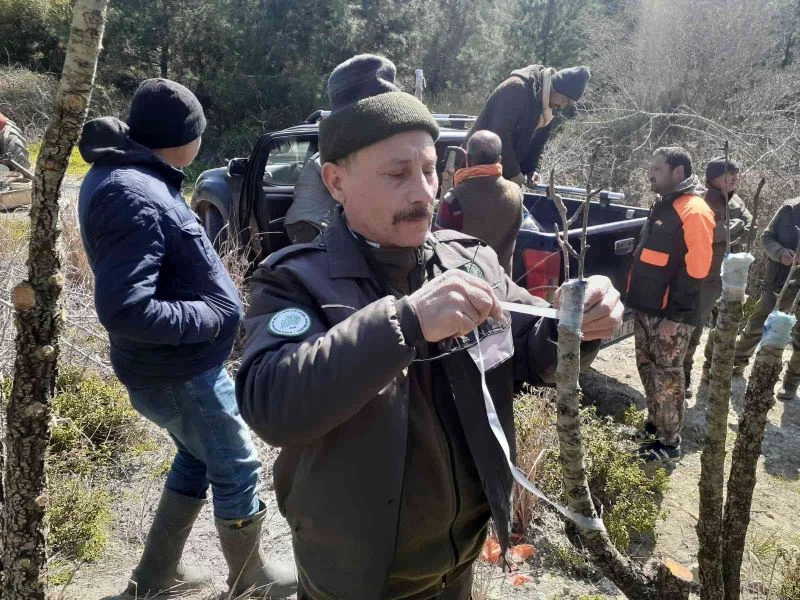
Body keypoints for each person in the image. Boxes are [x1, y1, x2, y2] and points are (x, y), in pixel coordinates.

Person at [236, 54, 623, 600]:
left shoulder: (471, 261)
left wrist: (575, 327)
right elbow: (271, 404)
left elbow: (528, 356)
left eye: (429, 169)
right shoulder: (295, 282)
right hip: (358, 576)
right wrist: (406, 321)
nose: (423, 192)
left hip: (459, 562)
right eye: (397, 174)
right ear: (336, 181)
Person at [77, 78, 296, 598]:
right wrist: (214, 315)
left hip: (171, 368)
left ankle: (157, 575)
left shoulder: (134, 176)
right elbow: (127, 308)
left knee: (198, 457)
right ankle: (250, 579)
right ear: (184, 137)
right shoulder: (131, 193)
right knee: (237, 463)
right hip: (180, 373)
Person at [625, 147, 715, 462]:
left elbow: (698, 269)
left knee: (668, 377)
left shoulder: (694, 210)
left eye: (657, 169)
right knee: (649, 370)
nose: (650, 174)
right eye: (650, 168)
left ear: (678, 172)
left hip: (669, 316)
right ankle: (654, 425)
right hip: (647, 309)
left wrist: (675, 317)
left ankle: (670, 443)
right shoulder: (664, 204)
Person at [683, 157, 752, 398]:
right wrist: (732, 228)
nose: (734, 179)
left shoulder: (734, 201)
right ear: (713, 178)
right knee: (693, 327)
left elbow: (749, 223)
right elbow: (705, 234)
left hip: (727, 277)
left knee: (722, 326)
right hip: (702, 276)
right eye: (729, 174)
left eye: (736, 174)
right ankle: (683, 373)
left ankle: (711, 371)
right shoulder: (700, 199)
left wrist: (737, 227)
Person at [463, 64, 590, 186]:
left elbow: (538, 142)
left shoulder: (548, 106)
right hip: (474, 170)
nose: (563, 106)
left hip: (500, 175)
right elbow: (500, 133)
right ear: (557, 87)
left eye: (568, 103)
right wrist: (514, 173)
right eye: (565, 99)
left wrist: (531, 170)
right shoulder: (517, 89)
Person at [733, 198, 800, 401]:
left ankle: (791, 383)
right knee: (757, 323)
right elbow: (766, 237)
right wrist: (780, 253)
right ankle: (737, 363)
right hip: (780, 282)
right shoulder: (789, 209)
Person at [434, 129, 523, 274]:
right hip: (503, 282)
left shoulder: (453, 198)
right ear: (499, 160)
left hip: (464, 284)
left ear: (467, 159)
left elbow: (438, 245)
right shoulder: (517, 192)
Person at [284, 151, 337, 243]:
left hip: (302, 221)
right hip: (308, 222)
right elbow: (336, 177)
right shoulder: (323, 157)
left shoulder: (320, 158)